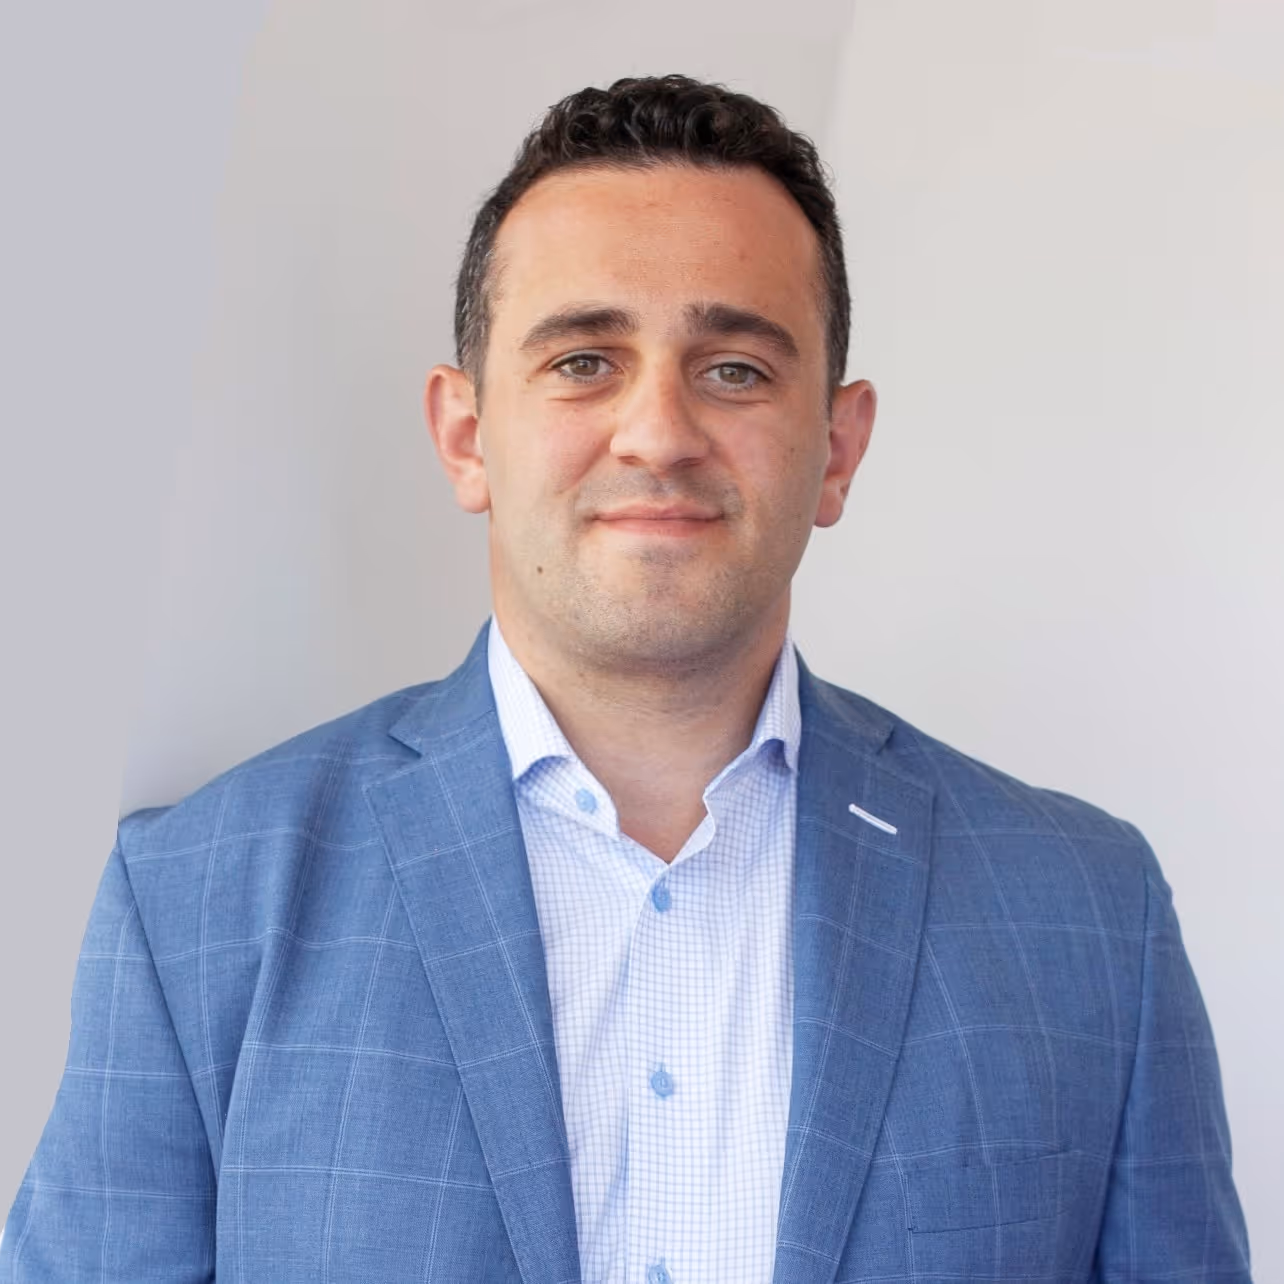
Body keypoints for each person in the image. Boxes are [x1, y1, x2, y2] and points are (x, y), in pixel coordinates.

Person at [0, 74, 1251, 1284]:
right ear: (466, 435)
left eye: (736, 368)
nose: (658, 433)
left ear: (837, 447)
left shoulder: (1091, 916)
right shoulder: (196, 903)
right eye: (584, 361)